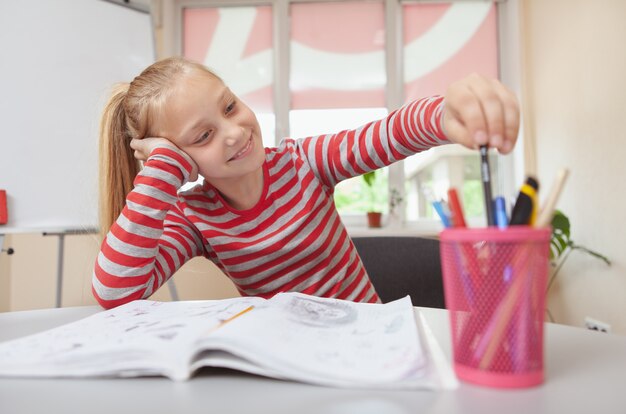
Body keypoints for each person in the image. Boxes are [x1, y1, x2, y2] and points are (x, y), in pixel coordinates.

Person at [93, 56, 519, 309]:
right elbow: (116, 291)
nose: (234, 131)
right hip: (293, 368)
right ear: (179, 156)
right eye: (202, 136)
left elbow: (387, 135)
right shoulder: (196, 217)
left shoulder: (303, 163)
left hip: (370, 344)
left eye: (229, 106)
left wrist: (445, 114)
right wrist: (162, 170)